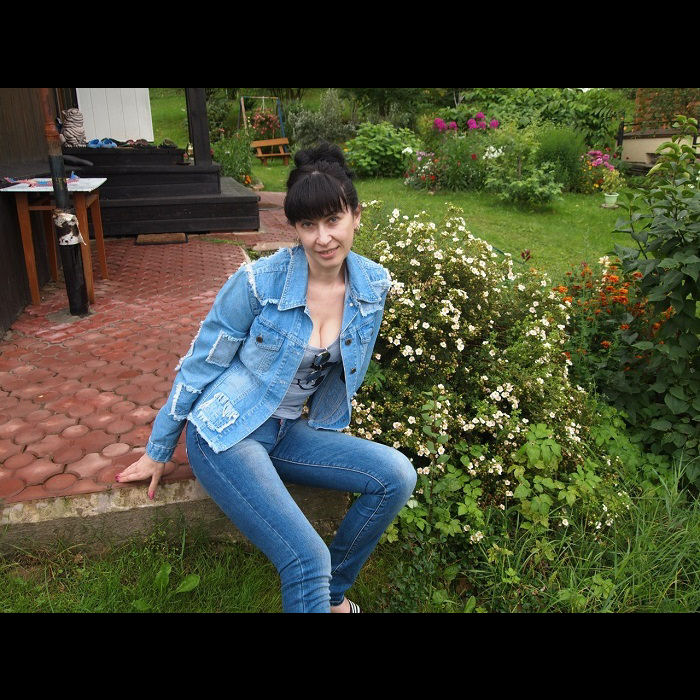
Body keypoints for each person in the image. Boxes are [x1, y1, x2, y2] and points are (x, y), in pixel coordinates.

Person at [115, 142, 417, 613]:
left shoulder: (372, 285)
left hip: (287, 431)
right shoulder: (259, 281)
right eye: (308, 225)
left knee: (397, 475)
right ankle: (319, 590)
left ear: (356, 216)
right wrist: (159, 449)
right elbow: (199, 364)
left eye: (333, 220)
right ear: (294, 228)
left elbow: (343, 372)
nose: (323, 238)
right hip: (226, 431)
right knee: (306, 558)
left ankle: (330, 598)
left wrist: (326, 428)